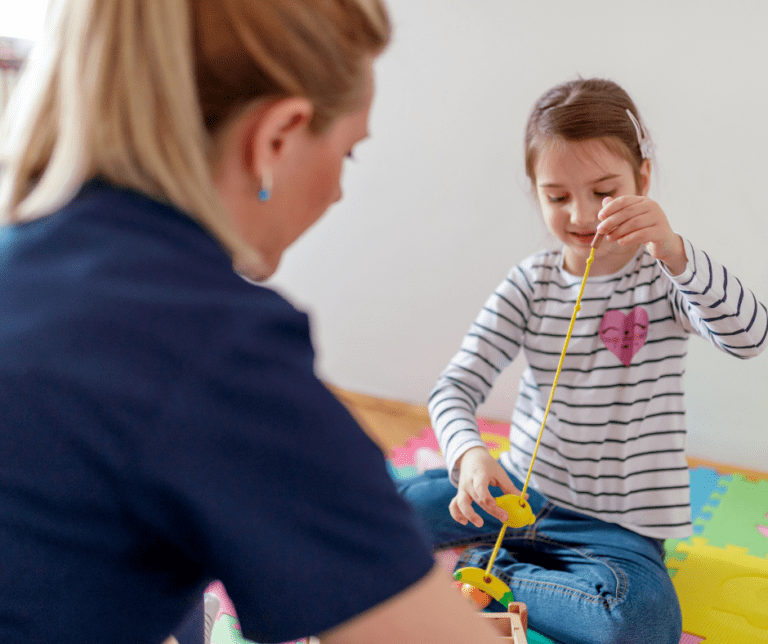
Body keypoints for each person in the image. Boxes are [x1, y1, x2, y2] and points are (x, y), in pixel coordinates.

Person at [0, 1, 506, 643]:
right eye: (347, 154)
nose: (340, 191)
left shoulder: (20, 256)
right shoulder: (210, 343)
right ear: (275, 138)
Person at [398, 77, 768, 644]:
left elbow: (751, 335)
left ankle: (501, 574)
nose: (582, 214)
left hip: (618, 531)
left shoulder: (668, 279)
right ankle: (487, 551)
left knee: (638, 624)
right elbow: (454, 387)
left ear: (643, 179)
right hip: (515, 492)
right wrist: (469, 455)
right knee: (373, 517)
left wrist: (677, 251)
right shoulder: (530, 283)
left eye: (603, 191)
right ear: (536, 192)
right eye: (557, 196)